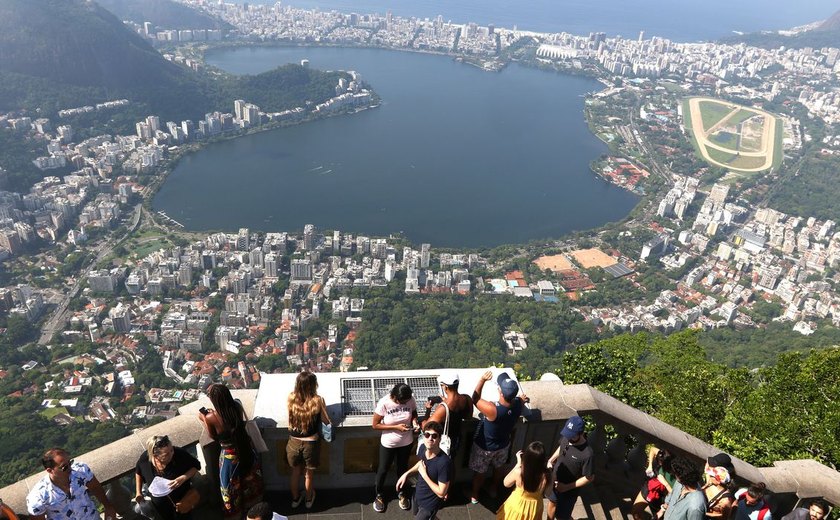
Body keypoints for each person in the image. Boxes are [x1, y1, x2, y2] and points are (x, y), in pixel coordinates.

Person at [199, 383, 263, 517]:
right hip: (245, 446)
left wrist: (204, 418)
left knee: (229, 486)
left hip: (230, 454)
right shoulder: (237, 407)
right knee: (249, 477)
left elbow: (213, 436)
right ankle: (253, 505)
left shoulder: (212, 417)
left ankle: (235, 512)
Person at [469, 371, 525, 504]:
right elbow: (521, 400)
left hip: (485, 447)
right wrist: (522, 399)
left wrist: (482, 380)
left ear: (500, 393)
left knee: (480, 472)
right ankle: (493, 488)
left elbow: (475, 399)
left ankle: (475, 495)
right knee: (499, 468)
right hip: (503, 445)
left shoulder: (492, 409)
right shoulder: (518, 404)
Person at [25, 448, 117, 520]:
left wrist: (108, 507)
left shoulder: (80, 470)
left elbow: (96, 487)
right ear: (50, 470)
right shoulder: (38, 496)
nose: (70, 468)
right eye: (64, 467)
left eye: (70, 463)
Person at [372, 382, 419, 513]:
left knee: (402, 468)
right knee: (383, 469)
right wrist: (396, 427)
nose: (405, 403)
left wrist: (415, 422)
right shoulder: (385, 402)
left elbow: (414, 412)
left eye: (407, 401)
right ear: (395, 397)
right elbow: (375, 425)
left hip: (406, 441)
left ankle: (402, 493)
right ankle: (379, 495)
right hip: (389, 443)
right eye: (402, 401)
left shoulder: (410, 399)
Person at [287, 371, 331, 509]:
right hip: (311, 442)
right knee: (308, 475)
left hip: (293, 441)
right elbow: (326, 421)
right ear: (313, 384)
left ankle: (295, 500)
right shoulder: (318, 400)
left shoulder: (291, 397)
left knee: (295, 472)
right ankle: (308, 499)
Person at [134, 434, 201, 520]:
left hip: (183, 503)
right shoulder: (145, 459)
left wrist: (183, 478)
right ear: (155, 456)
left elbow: (196, 466)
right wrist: (138, 492)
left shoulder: (179, 454)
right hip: (161, 510)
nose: (172, 454)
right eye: (166, 454)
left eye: (171, 450)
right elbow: (138, 471)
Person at [396, 421, 451, 520]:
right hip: (417, 495)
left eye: (434, 436)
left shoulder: (444, 463)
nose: (430, 438)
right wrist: (406, 474)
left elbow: (442, 492)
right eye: (427, 435)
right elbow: (420, 465)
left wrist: (425, 475)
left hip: (429, 504)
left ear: (439, 439)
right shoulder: (422, 448)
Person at [546, 416, 595, 520]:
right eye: (567, 434)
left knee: (562, 516)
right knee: (551, 503)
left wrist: (566, 487)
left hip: (569, 492)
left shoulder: (587, 454)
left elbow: (589, 478)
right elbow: (561, 447)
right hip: (555, 480)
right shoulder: (567, 437)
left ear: (580, 433)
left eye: (571, 436)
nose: (568, 438)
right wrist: (551, 460)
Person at [420, 373, 474, 462]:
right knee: (451, 462)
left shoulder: (443, 408)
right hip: (457, 439)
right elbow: (468, 417)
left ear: (445, 387)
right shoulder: (467, 399)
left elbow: (426, 427)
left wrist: (428, 411)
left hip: (444, 442)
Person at [497, 441, 550, 520]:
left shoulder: (519, 472)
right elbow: (548, 493)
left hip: (517, 506)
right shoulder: (546, 475)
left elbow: (506, 483)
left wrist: (518, 464)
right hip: (535, 508)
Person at [632, 446, 674, 520]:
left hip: (662, 498)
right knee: (636, 512)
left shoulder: (676, 471)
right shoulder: (664, 455)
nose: (660, 464)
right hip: (651, 487)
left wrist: (665, 483)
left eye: (662, 463)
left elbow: (674, 495)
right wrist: (650, 465)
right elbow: (652, 449)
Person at [659, 456, 705, 520]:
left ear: (681, 476)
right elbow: (671, 496)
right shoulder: (679, 483)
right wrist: (662, 510)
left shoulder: (696, 506)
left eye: (675, 474)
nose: (674, 476)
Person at [702, 454, 735, 520]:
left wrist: (700, 512)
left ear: (718, 481)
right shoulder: (710, 482)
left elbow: (723, 517)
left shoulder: (725, 501)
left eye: (711, 476)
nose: (708, 475)